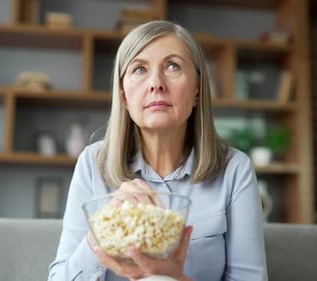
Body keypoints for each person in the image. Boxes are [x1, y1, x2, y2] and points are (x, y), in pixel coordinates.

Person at [48, 20, 268, 281]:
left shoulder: (234, 169)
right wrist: (105, 227)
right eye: (139, 69)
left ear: (198, 90)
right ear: (124, 95)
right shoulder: (91, 162)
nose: (156, 84)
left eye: (173, 66)